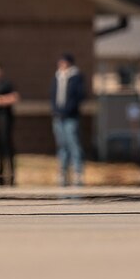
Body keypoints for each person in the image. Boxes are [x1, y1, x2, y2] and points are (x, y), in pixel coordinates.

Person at [50, 52, 86, 187]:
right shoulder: (57, 77)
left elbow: (79, 96)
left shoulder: (76, 77)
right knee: (62, 145)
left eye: (64, 62)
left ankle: (77, 171)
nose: (61, 65)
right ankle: (62, 171)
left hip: (71, 116)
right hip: (58, 116)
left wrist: (68, 110)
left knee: (73, 143)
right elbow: (53, 96)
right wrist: (55, 111)